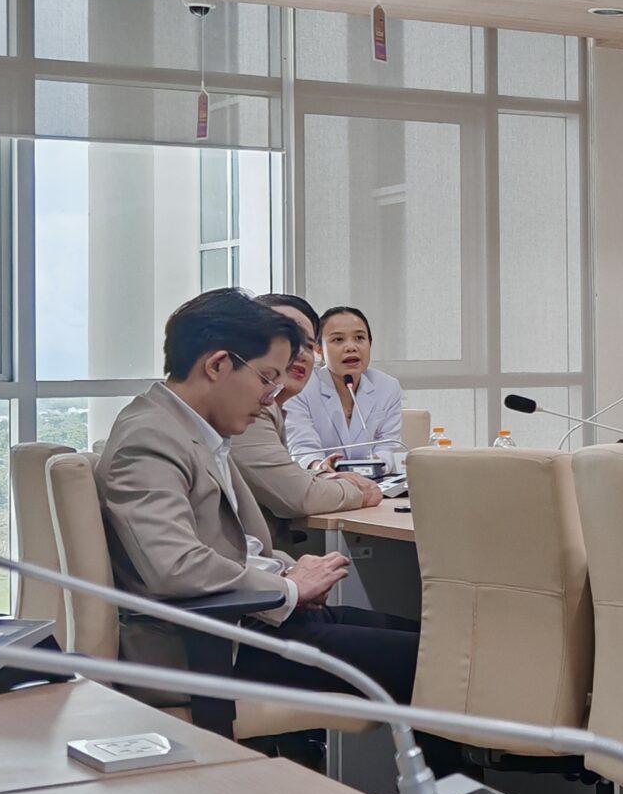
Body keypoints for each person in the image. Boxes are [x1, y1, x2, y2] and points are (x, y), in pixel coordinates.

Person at [96, 289, 421, 707]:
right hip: (208, 647)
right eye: (267, 378)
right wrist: (289, 587)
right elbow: (175, 566)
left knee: (433, 645)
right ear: (218, 365)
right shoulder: (150, 437)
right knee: (433, 666)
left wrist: (289, 571)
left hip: (245, 620)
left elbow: (233, 547)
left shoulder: (195, 429)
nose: (272, 396)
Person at [232, 293, 383, 548]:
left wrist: (322, 477)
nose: (300, 354)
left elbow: (281, 476)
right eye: (287, 340)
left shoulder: (269, 404)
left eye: (307, 345)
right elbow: (297, 495)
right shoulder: (243, 406)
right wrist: (359, 490)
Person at [286, 305, 403, 468]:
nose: (351, 347)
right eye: (338, 340)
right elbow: (302, 447)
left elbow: (389, 445)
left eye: (359, 338)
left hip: (374, 478)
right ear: (318, 349)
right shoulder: (302, 386)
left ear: (370, 344)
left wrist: (374, 465)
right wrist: (320, 467)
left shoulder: (387, 386)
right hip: (320, 479)